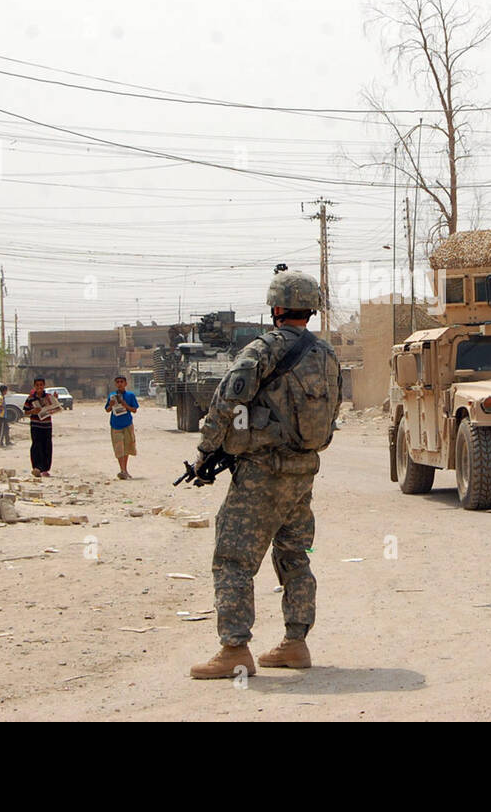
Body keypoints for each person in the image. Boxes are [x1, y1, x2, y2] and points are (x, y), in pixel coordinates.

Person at [189, 268, 342, 680]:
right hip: (302, 472)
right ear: (310, 308)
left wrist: (207, 452)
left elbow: (227, 403)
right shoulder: (326, 355)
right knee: (295, 555)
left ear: (276, 307)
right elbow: (333, 413)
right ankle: (296, 643)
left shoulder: (262, 350)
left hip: (262, 472)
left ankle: (235, 649)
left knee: (233, 559)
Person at [106, 375, 139, 479]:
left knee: (127, 447)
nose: (119, 384)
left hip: (127, 424)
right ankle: (122, 470)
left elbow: (134, 410)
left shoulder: (130, 395)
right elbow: (107, 410)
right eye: (118, 382)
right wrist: (111, 405)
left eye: (121, 382)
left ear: (125, 384)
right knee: (119, 448)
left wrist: (125, 405)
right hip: (116, 425)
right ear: (115, 384)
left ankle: (125, 469)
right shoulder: (112, 395)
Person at [23, 378, 55, 477]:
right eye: (37, 385)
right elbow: (25, 411)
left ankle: (45, 468)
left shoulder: (49, 397)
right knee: (36, 446)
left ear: (44, 385)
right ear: (34, 386)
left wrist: (54, 405)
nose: (39, 387)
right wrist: (33, 411)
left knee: (47, 446)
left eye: (41, 385)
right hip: (35, 425)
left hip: (47, 426)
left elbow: (54, 409)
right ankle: (36, 467)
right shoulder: (30, 398)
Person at [0, 384, 13, 448]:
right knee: (2, 430)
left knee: (6, 429)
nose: (6, 392)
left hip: (4, 416)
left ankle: (7, 441)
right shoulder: (1, 397)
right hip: (1, 416)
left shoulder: (2, 397)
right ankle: (0, 443)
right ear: (4, 391)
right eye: (6, 390)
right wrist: (1, 408)